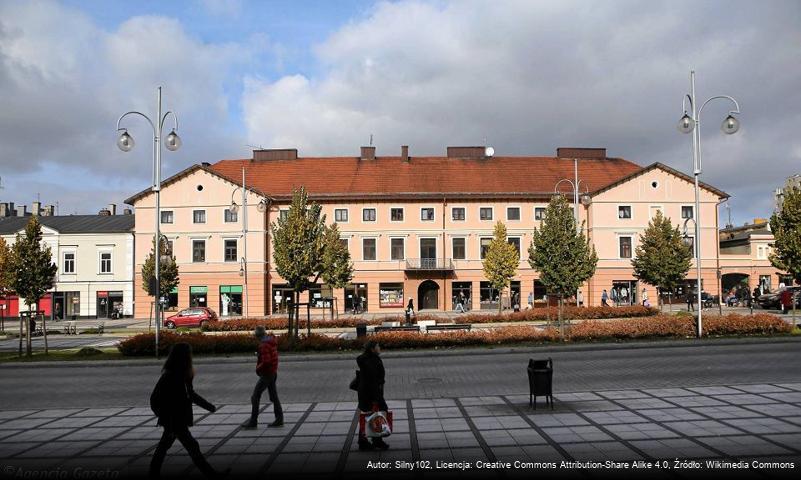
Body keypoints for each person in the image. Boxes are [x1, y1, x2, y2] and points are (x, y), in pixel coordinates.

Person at [149, 343, 225, 479]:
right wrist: (164, 416)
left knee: (165, 447)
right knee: (191, 447)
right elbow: (154, 399)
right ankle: (212, 475)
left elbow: (190, 394)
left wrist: (209, 406)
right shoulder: (171, 375)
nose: (191, 356)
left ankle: (153, 473)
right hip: (174, 420)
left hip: (175, 420)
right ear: (183, 357)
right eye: (189, 354)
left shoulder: (183, 374)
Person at [242, 327, 283, 429]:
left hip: (267, 374)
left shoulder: (264, 345)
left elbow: (266, 361)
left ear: (258, 336)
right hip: (273, 372)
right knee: (273, 396)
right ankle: (279, 419)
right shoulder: (270, 341)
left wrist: (257, 368)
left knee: (255, 397)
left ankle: (253, 422)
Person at [356, 340, 389, 451]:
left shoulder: (367, 359)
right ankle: (372, 441)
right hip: (371, 393)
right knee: (375, 414)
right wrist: (377, 398)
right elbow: (373, 381)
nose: (379, 348)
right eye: (377, 346)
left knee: (370, 415)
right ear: (372, 349)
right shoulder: (372, 362)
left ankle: (369, 441)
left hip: (366, 392)